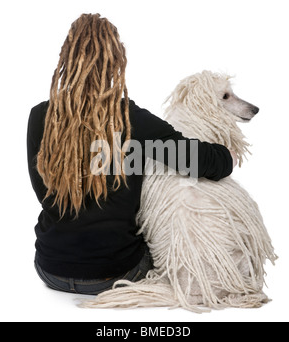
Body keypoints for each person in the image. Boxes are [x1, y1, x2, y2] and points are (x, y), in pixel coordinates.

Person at [27, 13, 237, 295]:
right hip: (115, 273)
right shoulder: (130, 119)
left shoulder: (40, 116)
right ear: (116, 61)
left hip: (49, 269)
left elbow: (43, 191)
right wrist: (225, 149)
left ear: (65, 57)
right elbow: (207, 163)